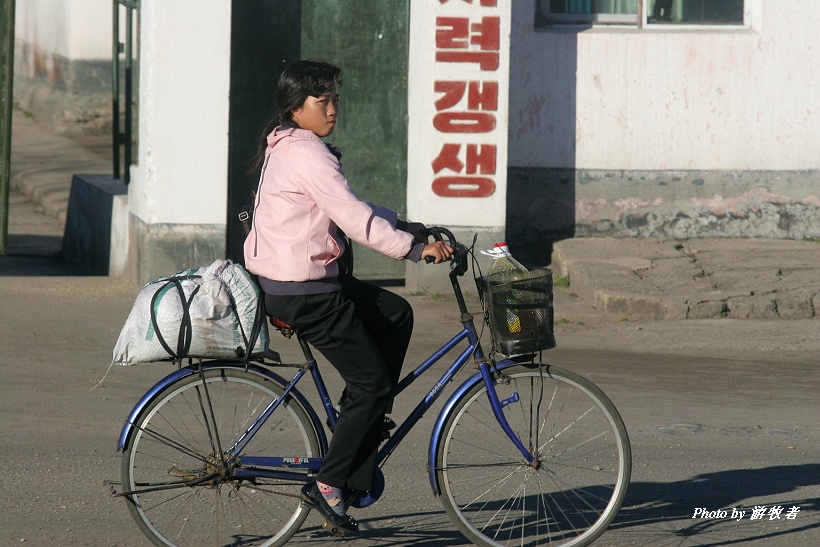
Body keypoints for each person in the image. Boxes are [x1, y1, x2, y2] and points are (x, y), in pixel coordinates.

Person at [243, 60, 453, 535]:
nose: (334, 108)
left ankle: (357, 421)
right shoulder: (306, 154)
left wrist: (406, 223)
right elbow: (356, 222)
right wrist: (417, 250)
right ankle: (331, 483)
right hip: (305, 290)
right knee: (374, 384)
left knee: (395, 314)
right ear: (296, 108)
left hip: (303, 280)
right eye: (324, 100)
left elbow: (350, 206)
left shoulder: (297, 146)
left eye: (336, 98)